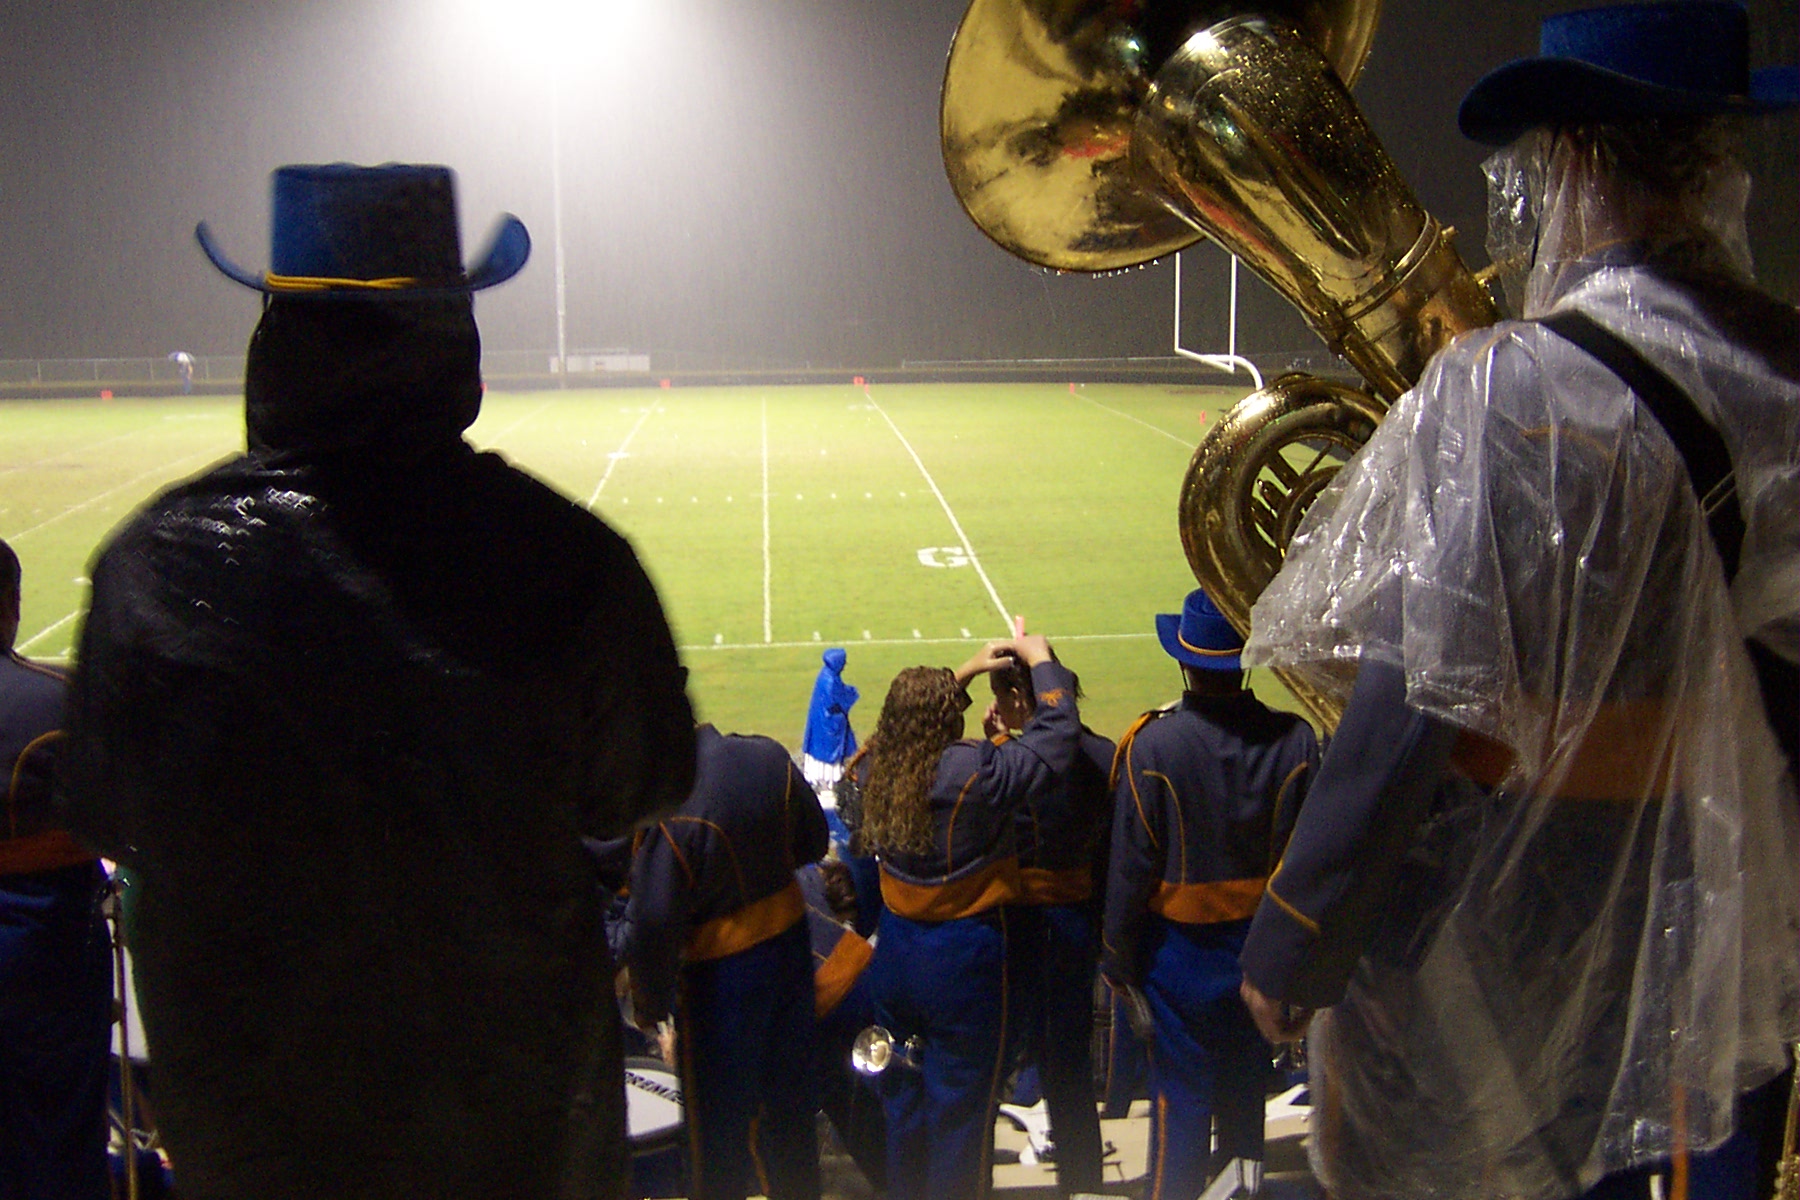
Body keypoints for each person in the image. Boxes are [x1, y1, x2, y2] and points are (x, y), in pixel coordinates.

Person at [1234, 7, 1800, 1200]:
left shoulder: (1511, 387)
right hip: (1721, 901)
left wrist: (1299, 926)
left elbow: (1412, 698)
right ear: (1717, 162)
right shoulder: (1787, 375)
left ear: (1573, 159)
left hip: (1504, 923)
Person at [56, 164, 697, 1200]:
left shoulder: (154, 568)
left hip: (258, 1146)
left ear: (276, 343)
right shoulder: (568, 562)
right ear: (453, 344)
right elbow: (645, 784)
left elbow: (99, 811)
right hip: (516, 1137)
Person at [1103, 588, 1319, 1200]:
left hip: (1179, 964)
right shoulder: (1296, 740)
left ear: (1183, 663)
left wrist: (1116, 961)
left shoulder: (1153, 746)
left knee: (1182, 1107)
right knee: (1247, 1102)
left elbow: (1130, 869)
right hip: (1265, 954)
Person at [849, 635, 1080, 1200]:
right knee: (962, 1113)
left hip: (896, 954)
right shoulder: (970, 769)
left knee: (903, 1101)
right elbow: (1054, 744)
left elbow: (903, 725)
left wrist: (967, 671)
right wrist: (1042, 661)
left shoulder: (875, 765)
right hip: (966, 961)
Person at [617, 723, 830, 1200]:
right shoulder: (769, 759)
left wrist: (650, 1006)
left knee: (716, 1140)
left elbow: (653, 924)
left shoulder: (674, 813)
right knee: (791, 1119)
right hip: (793, 952)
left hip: (721, 981)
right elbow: (814, 841)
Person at [0, 539, 112, 1200]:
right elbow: (123, 830)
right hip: (48, 951)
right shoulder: (62, 700)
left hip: (47, 947)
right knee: (59, 1140)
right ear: (11, 606)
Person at [986, 651, 1113, 1198]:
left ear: (1020, 699)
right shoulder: (1108, 753)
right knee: (1069, 1067)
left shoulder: (1010, 760)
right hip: (1082, 923)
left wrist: (993, 747)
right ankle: (1083, 1183)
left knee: (990, 1064)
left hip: (1019, 930)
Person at [801, 647, 860, 805]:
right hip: (828, 728)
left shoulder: (826, 676)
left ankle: (825, 783)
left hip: (822, 724)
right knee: (828, 760)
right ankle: (828, 784)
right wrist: (853, 693)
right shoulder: (831, 681)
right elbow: (839, 700)